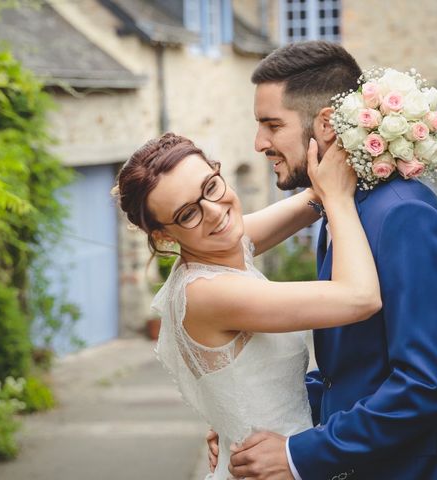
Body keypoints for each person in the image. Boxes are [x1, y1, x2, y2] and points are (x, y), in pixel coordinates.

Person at [211, 40, 437, 480]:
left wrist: (298, 455)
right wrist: (247, 423)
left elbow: (426, 384)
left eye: (271, 124)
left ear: (325, 124)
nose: (259, 143)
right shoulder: (340, 208)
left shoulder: (403, 214)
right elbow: (349, 375)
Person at [113, 131, 381, 480]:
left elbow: (311, 201)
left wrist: (364, 135)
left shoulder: (220, 247)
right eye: (187, 214)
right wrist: (340, 200)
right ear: (165, 235)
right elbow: (361, 298)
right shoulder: (207, 293)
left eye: (210, 186)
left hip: (274, 457)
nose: (213, 212)